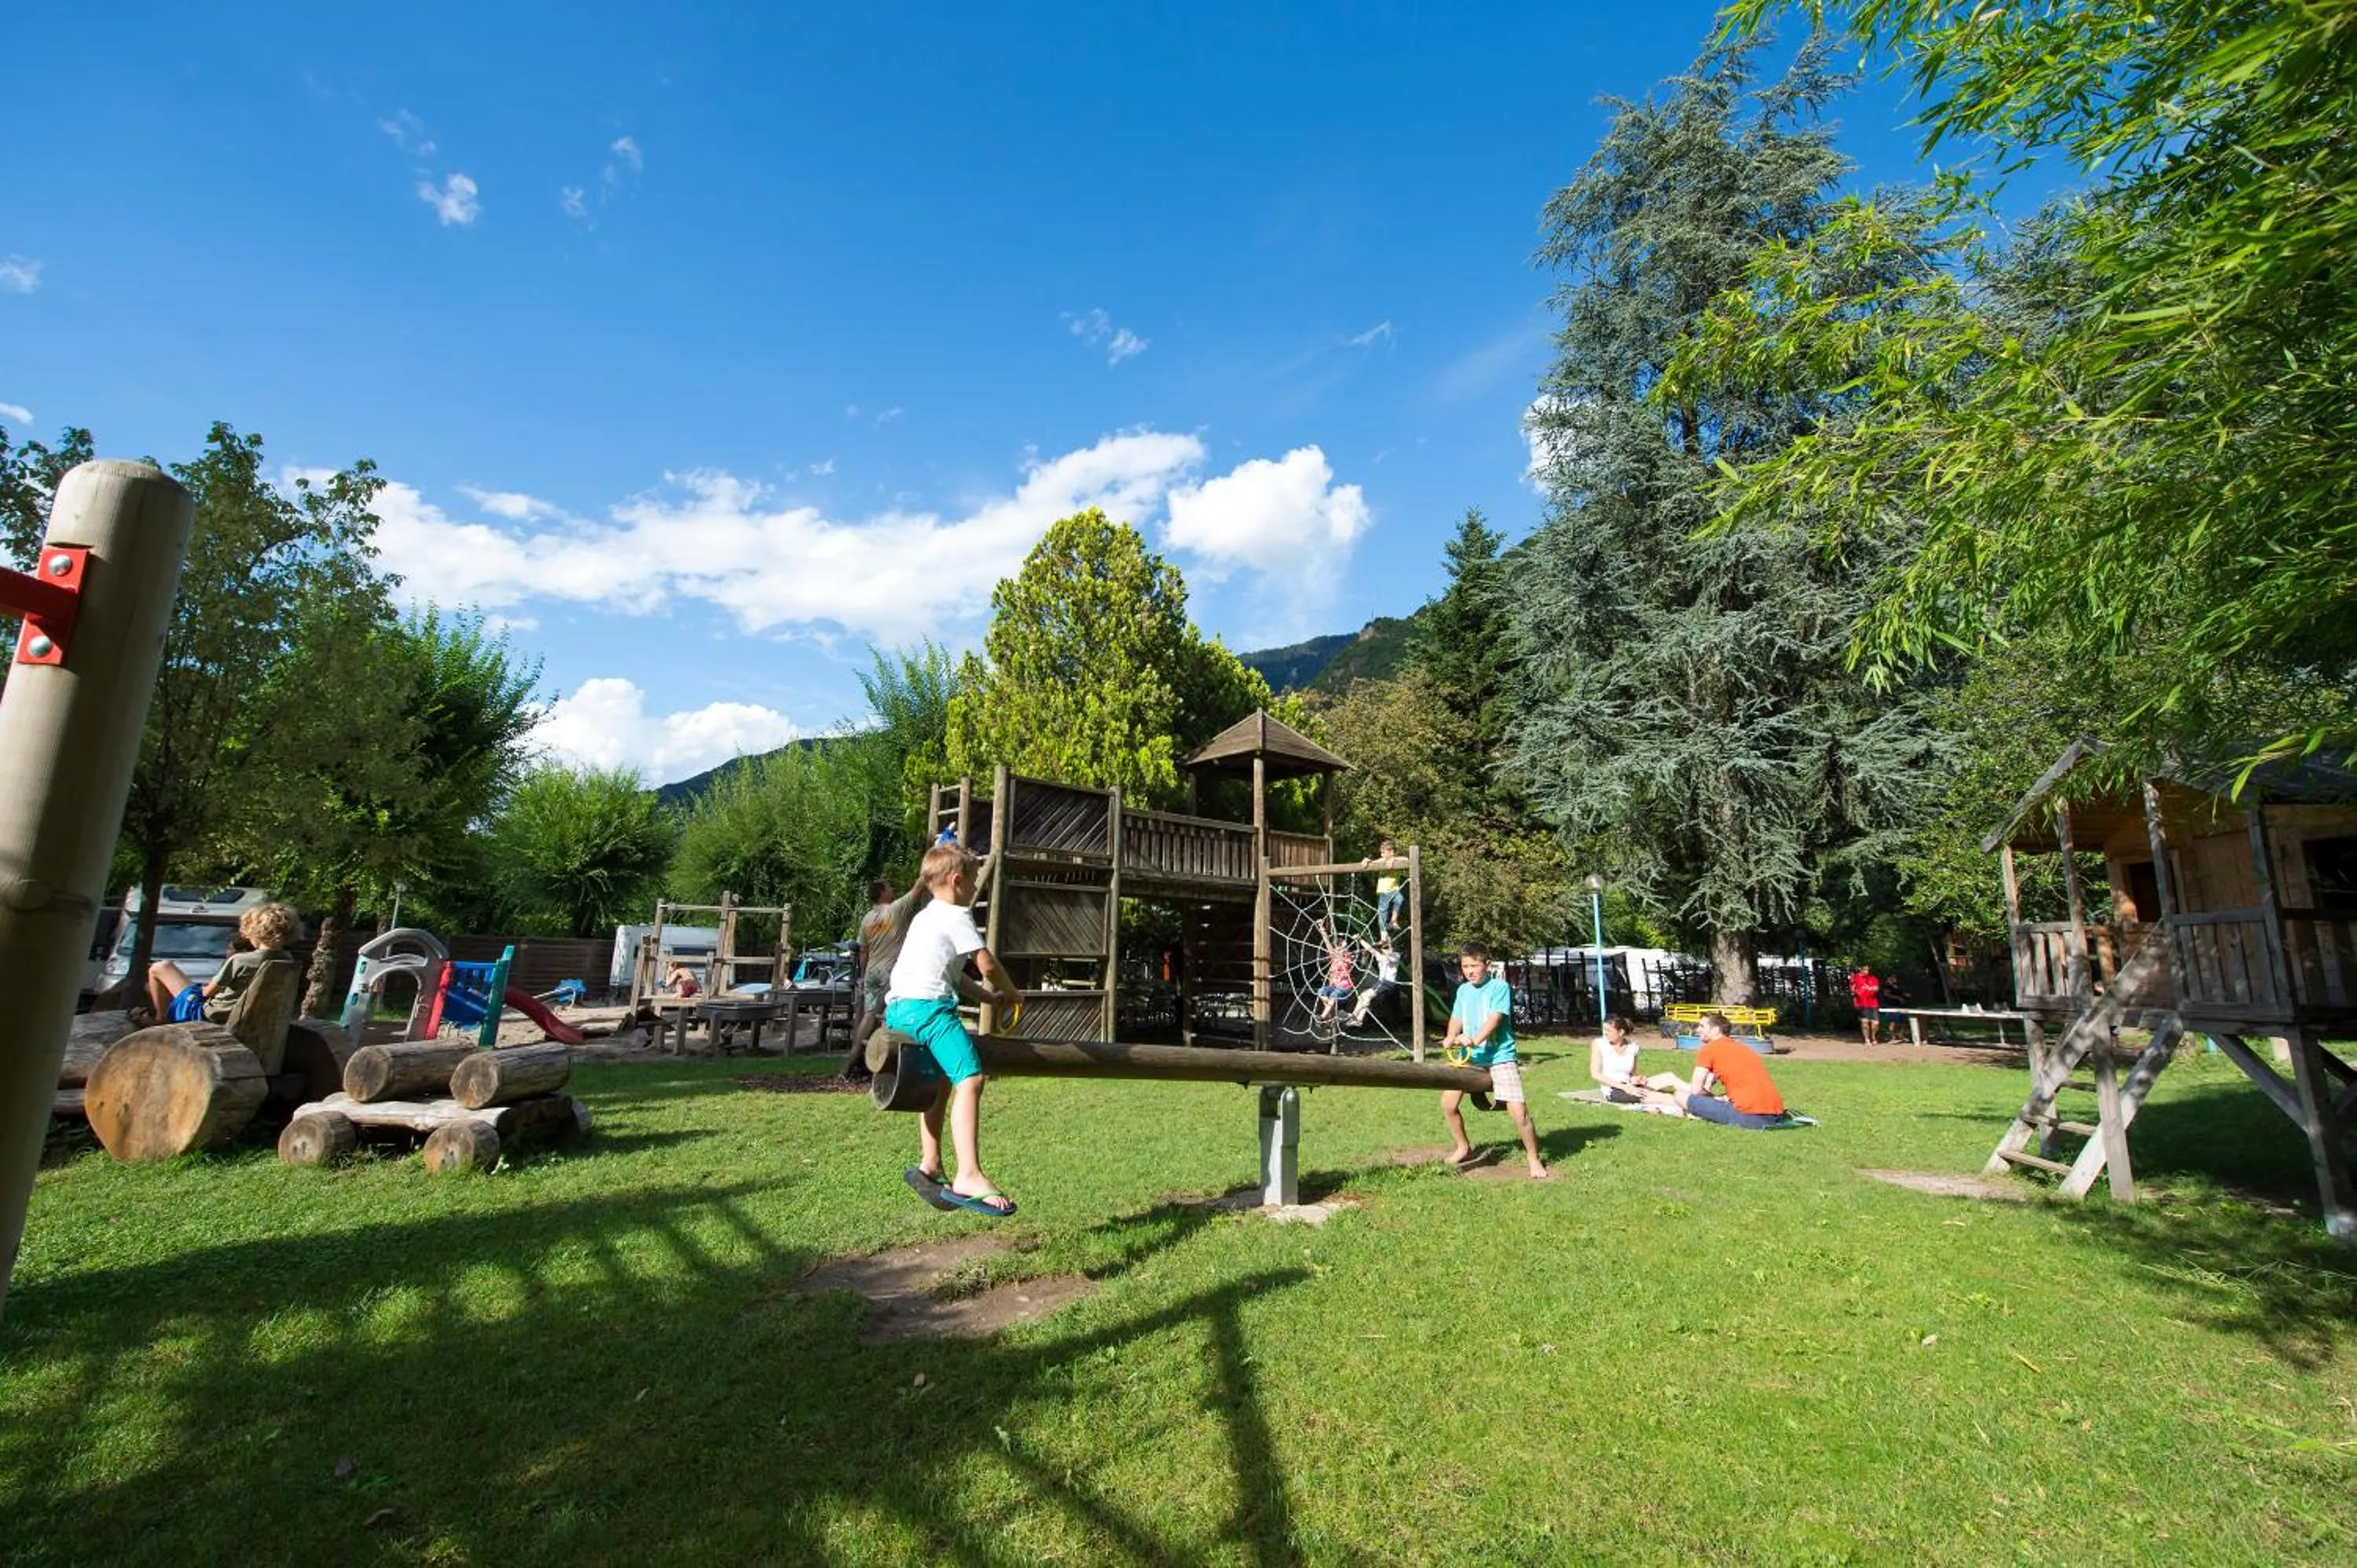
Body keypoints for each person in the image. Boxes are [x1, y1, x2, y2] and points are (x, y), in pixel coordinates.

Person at [886, 841, 1022, 1216]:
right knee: (972, 1079)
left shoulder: (926, 917)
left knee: (941, 1081)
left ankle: (930, 1163)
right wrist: (1012, 992)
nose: (976, 886)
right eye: (974, 879)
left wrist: (990, 998)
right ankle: (969, 1175)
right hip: (930, 1010)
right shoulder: (957, 915)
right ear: (957, 881)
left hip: (900, 1011)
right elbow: (987, 964)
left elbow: (955, 974)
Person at [1439, 943, 1551, 1179]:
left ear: (1487, 965)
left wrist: (1474, 1040)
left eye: (1474, 966)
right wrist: (1450, 1037)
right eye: (1465, 967)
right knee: (1448, 1104)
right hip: (1470, 1058)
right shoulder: (1463, 990)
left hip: (1500, 1056)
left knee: (1519, 1112)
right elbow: (1456, 1018)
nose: (1469, 971)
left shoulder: (1499, 987)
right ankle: (1463, 1148)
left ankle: (1533, 1158)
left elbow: (1495, 1019)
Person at [144, 902, 300, 1025]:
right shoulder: (288, 960)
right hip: (254, 1016)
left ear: (255, 931)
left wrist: (201, 988)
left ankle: (160, 1019)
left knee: (161, 967)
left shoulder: (241, 960)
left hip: (211, 1015)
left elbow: (207, 993)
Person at [1673, 1012, 1790, 1128]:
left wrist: (1713, 1097)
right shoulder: (1741, 1048)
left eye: (1702, 1026)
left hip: (1751, 1116)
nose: (1697, 1030)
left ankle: (1696, 1114)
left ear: (1715, 1030)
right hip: (1776, 1114)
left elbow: (1696, 1090)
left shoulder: (1709, 1049)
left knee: (1680, 1096)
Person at [1347, 935, 1402, 1029]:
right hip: (1381, 982)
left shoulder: (1396, 955)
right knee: (1363, 996)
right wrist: (1360, 940)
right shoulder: (1380, 955)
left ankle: (1354, 1016)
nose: (1386, 950)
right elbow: (1370, 949)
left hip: (1389, 983)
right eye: (1384, 948)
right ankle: (1358, 1019)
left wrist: (1385, 947)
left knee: (1367, 996)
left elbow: (1387, 959)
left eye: (1387, 948)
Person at [1312, 919, 1354, 1021]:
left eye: (1340, 947)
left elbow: (1346, 952)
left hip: (1345, 987)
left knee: (1333, 996)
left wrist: (1344, 947)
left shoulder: (1348, 957)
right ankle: (1335, 1014)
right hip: (1334, 987)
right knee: (1321, 991)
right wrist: (1322, 928)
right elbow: (1327, 942)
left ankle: (1322, 1017)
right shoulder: (1334, 957)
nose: (1337, 950)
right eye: (1337, 948)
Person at [1372, 839, 1404, 932]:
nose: (1382, 855)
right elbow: (1373, 862)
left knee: (1400, 899)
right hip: (1383, 891)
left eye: (1383, 852)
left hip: (1394, 889)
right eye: (1381, 853)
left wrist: (1394, 859)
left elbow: (1407, 859)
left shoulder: (1397, 861)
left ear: (1392, 852)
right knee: (1382, 912)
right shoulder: (1382, 861)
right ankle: (1383, 935)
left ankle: (1393, 921)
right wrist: (1367, 861)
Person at [1849, 965, 1882, 1046]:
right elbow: (1852, 989)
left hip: (1873, 1003)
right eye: (1864, 969)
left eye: (1868, 970)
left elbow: (1876, 988)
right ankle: (1867, 1039)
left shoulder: (1873, 978)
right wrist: (1854, 991)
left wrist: (1870, 988)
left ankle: (1873, 1037)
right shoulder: (1856, 977)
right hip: (1862, 1003)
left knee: (1876, 1023)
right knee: (1865, 1022)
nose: (1866, 971)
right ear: (1861, 969)